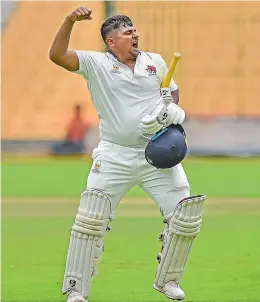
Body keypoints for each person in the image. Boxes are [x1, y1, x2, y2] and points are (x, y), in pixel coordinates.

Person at [49, 6, 205, 302]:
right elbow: (57, 55)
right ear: (111, 42)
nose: (135, 35)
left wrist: (167, 109)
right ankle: (76, 289)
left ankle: (169, 279)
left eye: (134, 30)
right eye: (127, 32)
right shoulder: (96, 63)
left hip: (154, 154)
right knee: (90, 218)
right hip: (113, 155)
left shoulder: (155, 61)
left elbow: (171, 92)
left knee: (184, 214)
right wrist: (69, 20)